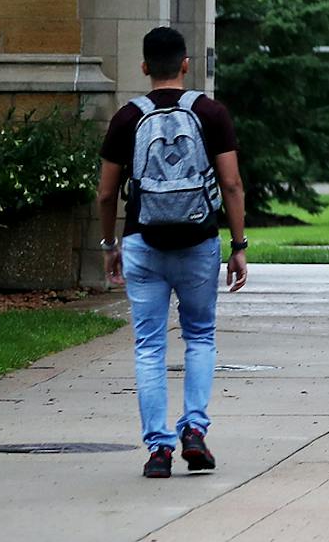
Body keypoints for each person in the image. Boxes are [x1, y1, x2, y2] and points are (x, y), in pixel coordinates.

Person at [95, 26, 250, 479]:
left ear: (144, 67)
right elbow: (232, 184)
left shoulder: (127, 118)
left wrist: (111, 246)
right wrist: (238, 247)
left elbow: (106, 194)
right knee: (199, 336)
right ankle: (195, 431)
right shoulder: (211, 112)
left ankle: (159, 450)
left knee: (149, 346)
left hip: (143, 242)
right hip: (199, 241)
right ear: (185, 64)